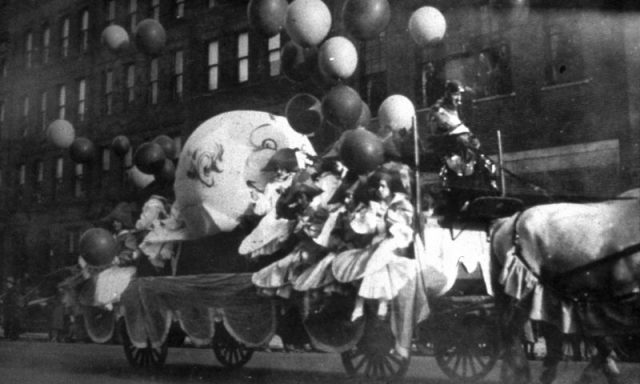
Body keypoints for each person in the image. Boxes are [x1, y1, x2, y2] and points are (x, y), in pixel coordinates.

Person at [429, 80, 498, 217]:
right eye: (456, 94)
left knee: (488, 165)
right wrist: (463, 136)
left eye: (460, 95)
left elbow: (464, 129)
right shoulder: (438, 109)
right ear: (448, 93)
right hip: (450, 150)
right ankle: (450, 203)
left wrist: (471, 138)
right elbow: (445, 127)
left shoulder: (460, 108)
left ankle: (489, 195)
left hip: (467, 149)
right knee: (454, 172)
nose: (459, 98)